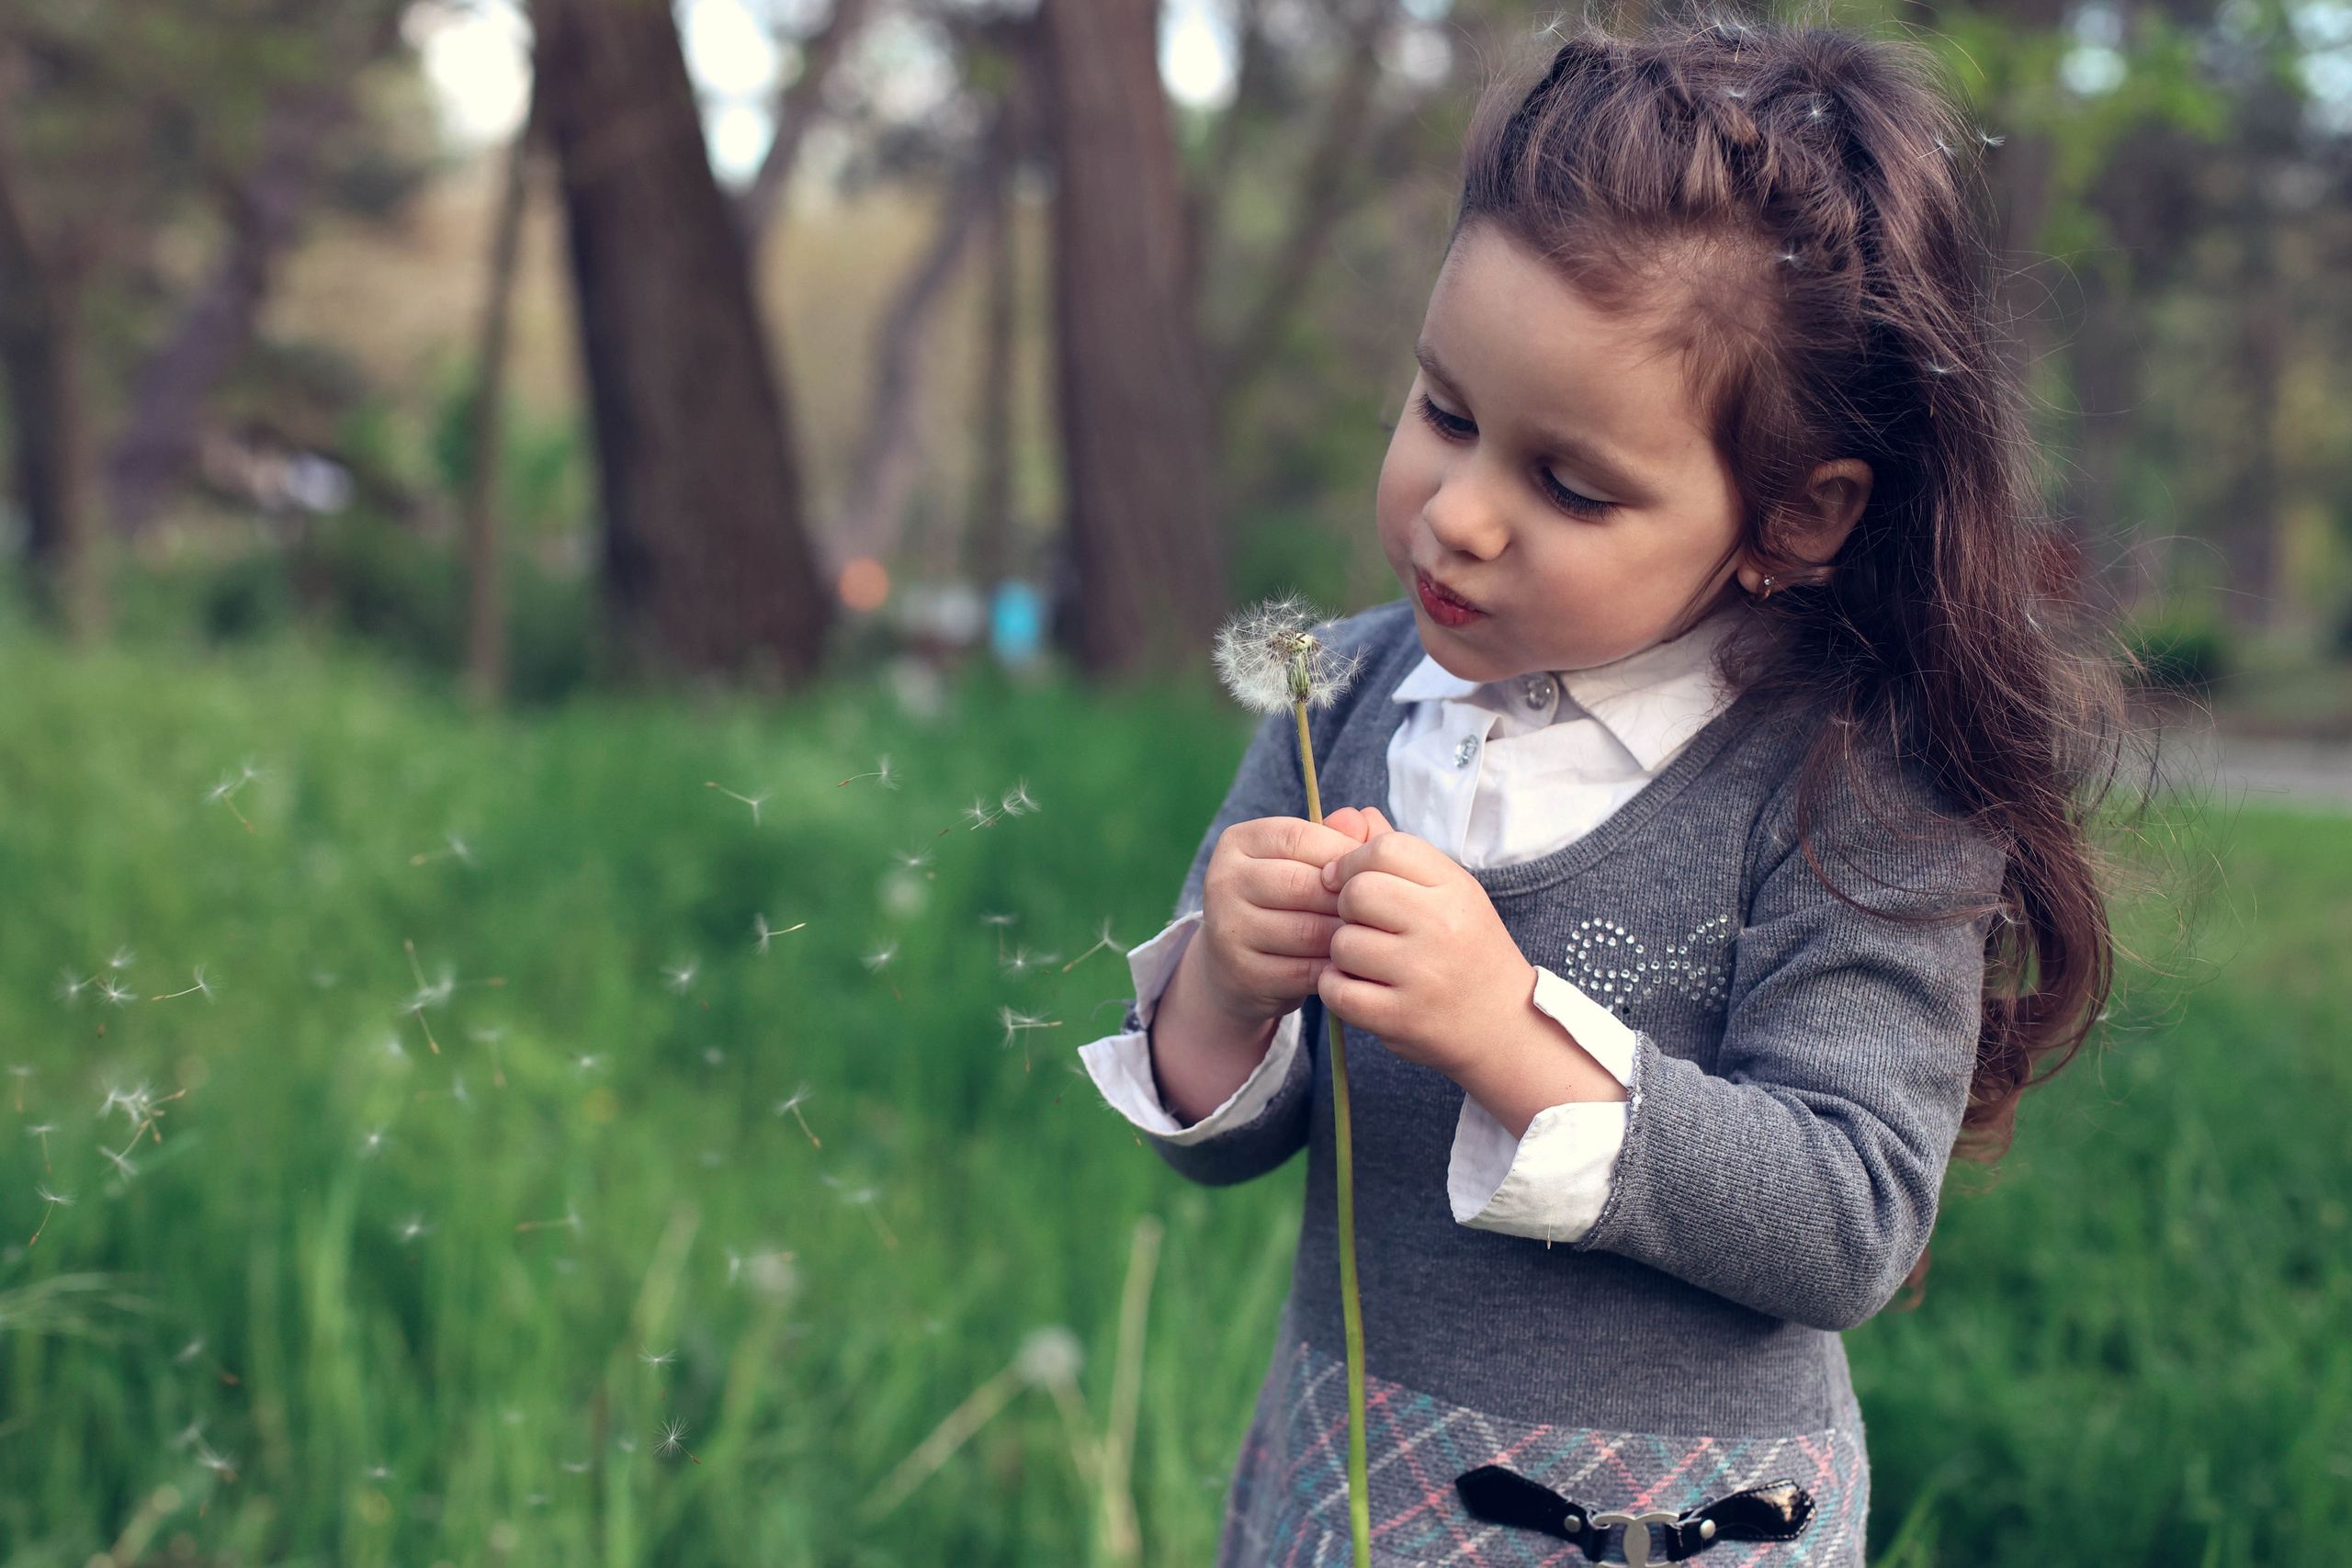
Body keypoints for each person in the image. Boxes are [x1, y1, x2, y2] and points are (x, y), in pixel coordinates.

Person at [1077, 20, 2120, 1567]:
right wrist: (1225, 987)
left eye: (1569, 485)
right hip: (1355, 1477)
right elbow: (1214, 1141)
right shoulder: (1340, 701)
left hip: (1674, 1515)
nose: (1460, 515)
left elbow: (1849, 1215)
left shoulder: (1855, 783)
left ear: (1798, 516)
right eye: (1445, 412)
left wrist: (1507, 1034)